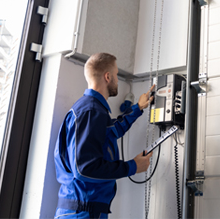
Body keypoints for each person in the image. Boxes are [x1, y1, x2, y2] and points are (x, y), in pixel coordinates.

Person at [54, 53, 154, 218]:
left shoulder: (93, 110)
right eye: (115, 75)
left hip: (87, 209)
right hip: (83, 212)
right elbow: (84, 169)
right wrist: (132, 167)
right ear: (108, 77)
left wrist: (138, 108)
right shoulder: (90, 111)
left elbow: (112, 132)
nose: (117, 80)